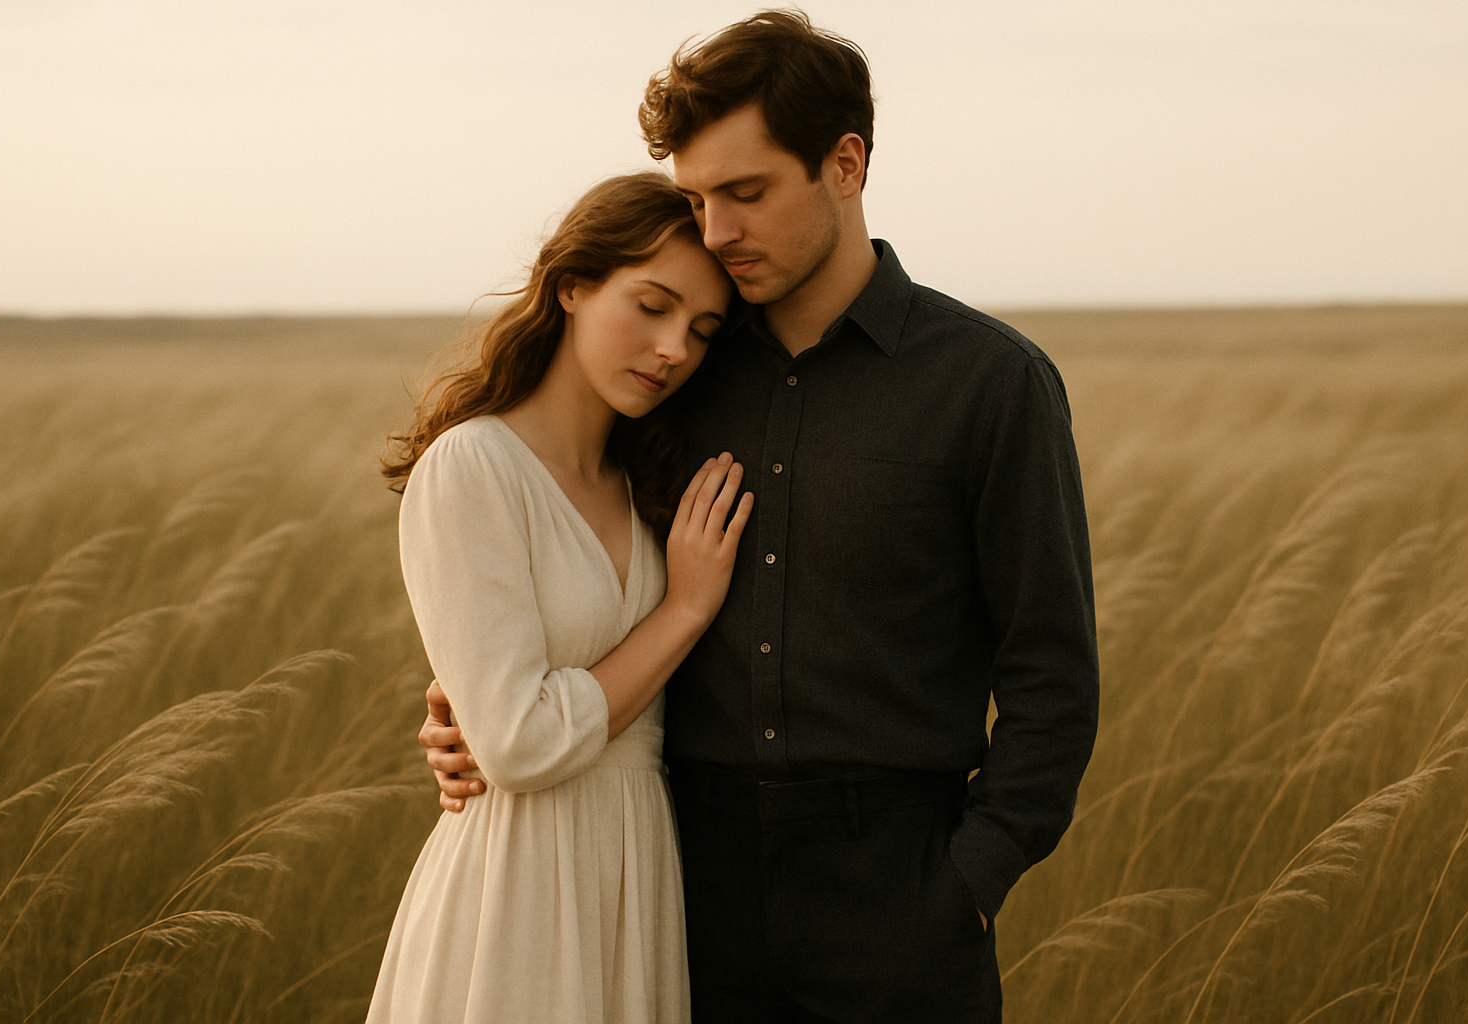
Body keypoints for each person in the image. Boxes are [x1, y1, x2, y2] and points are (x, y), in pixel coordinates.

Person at [422, 12, 1099, 1022]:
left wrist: (968, 883)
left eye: (746, 193)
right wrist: (467, 701)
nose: (717, 231)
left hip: (900, 888)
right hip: (683, 881)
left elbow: (1052, 675)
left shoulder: (991, 385)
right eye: (697, 199)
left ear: (845, 162)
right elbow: (555, 550)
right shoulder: (673, 375)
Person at [369, 172, 748, 1024]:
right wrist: (682, 610)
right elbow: (519, 746)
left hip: (637, 874)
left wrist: (471, 706)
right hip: (516, 887)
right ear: (572, 284)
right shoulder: (473, 468)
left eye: (701, 330)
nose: (672, 350)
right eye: (651, 306)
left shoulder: (650, 485)